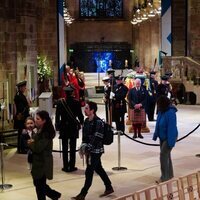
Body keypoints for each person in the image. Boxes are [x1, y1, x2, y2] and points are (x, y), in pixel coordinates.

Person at [72, 101, 114, 200]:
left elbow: (97, 137)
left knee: (89, 171)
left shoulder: (98, 122)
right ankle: (109, 187)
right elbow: (85, 136)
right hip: (89, 150)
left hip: (96, 151)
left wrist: (88, 147)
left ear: (92, 110)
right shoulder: (86, 121)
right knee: (99, 168)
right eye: (85, 108)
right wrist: (83, 145)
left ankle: (83, 194)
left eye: (87, 108)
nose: (84, 110)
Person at [27, 110, 61, 200]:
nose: (35, 120)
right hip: (37, 163)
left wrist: (31, 143)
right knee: (38, 184)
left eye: (38, 119)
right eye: (36, 118)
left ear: (44, 120)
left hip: (43, 164)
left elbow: (38, 148)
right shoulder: (39, 130)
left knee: (40, 188)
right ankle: (54, 195)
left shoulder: (46, 133)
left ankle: (54, 195)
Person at [55, 85, 84, 172]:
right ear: (72, 93)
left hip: (63, 126)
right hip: (73, 127)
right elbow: (80, 115)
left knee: (64, 147)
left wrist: (57, 126)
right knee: (72, 146)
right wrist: (82, 123)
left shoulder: (60, 102)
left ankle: (65, 166)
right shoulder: (76, 102)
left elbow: (57, 116)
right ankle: (72, 166)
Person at [153, 95, 178, 183]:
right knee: (167, 155)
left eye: (159, 105)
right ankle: (170, 174)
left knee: (163, 155)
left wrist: (171, 142)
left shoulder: (170, 113)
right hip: (162, 136)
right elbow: (158, 124)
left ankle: (164, 177)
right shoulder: (161, 111)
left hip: (169, 137)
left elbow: (172, 129)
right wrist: (155, 135)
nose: (158, 107)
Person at [14, 80, 30, 153]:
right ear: (20, 88)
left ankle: (22, 148)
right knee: (21, 133)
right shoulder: (19, 96)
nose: (25, 88)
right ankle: (21, 149)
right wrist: (28, 106)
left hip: (22, 117)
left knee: (22, 133)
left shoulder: (20, 95)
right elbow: (21, 109)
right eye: (24, 87)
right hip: (21, 118)